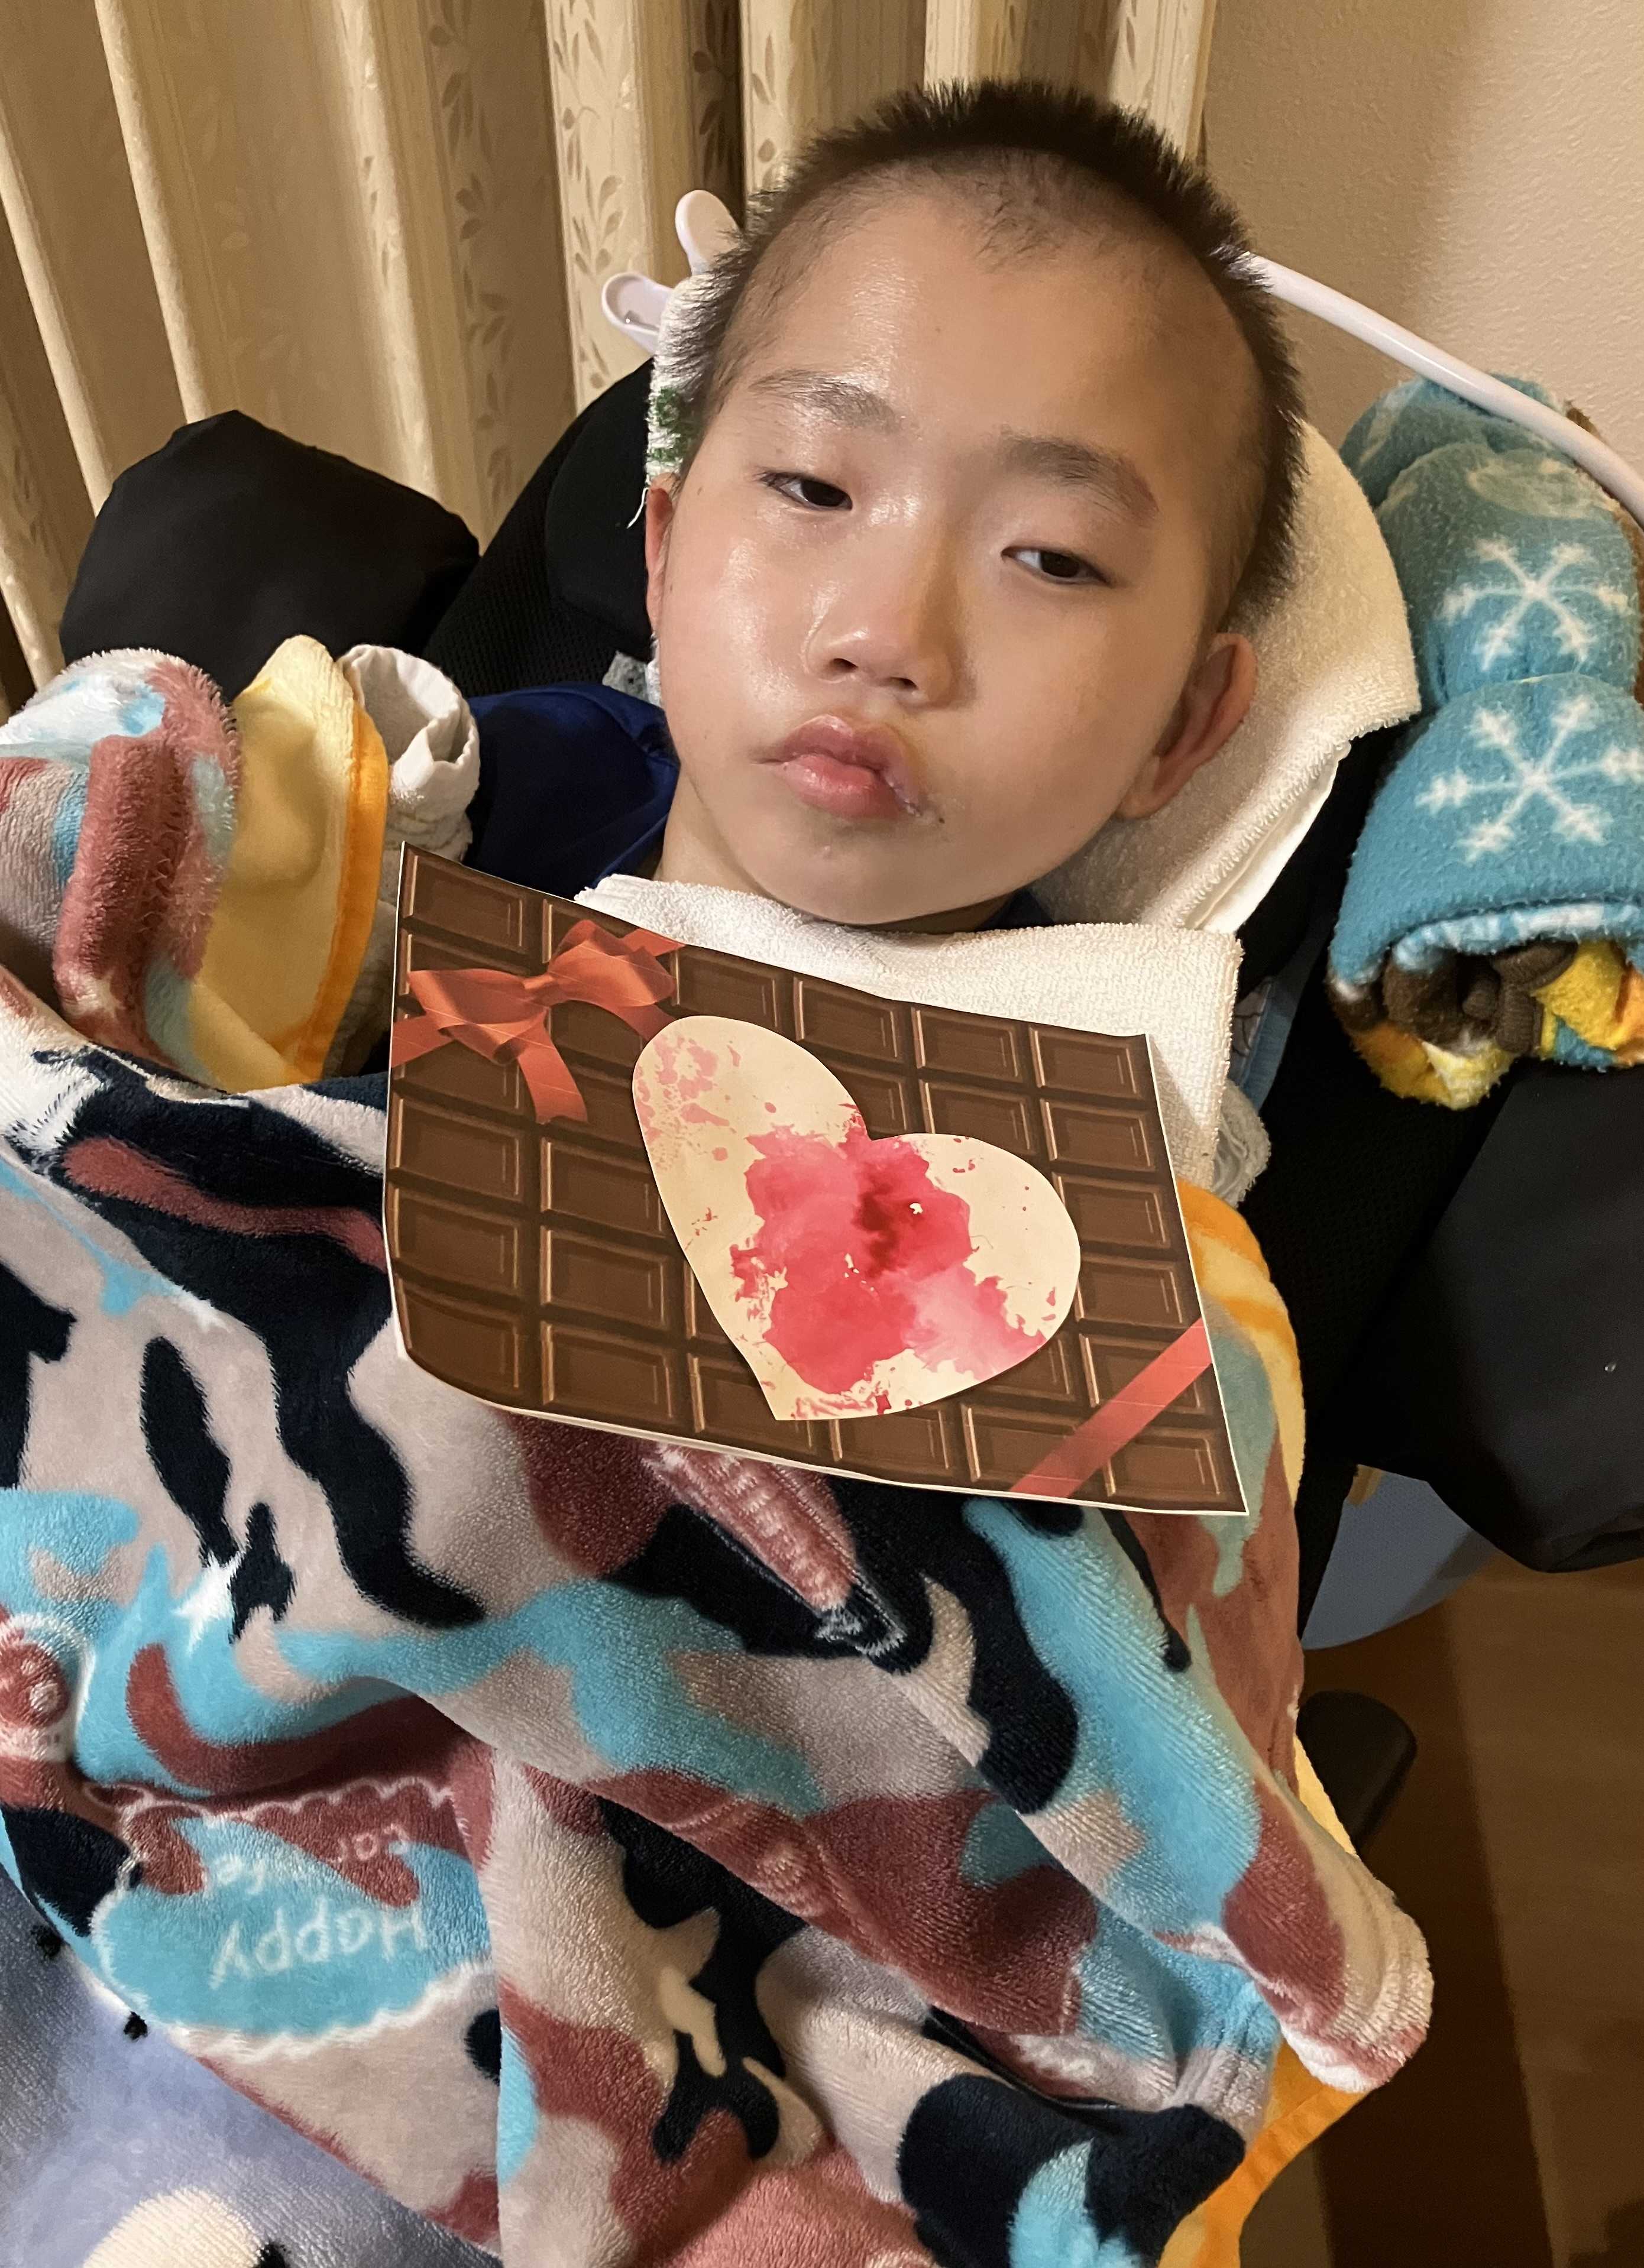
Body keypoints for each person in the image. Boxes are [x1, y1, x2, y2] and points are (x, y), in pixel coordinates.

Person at [465, 79, 1305, 937]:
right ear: (665, 554)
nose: (884, 638)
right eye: (814, 489)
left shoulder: (1103, 1023)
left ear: (1179, 725)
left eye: (1052, 559)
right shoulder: (483, 782)